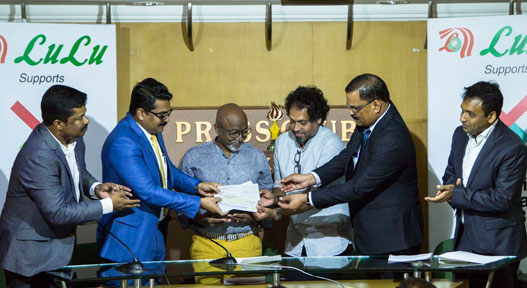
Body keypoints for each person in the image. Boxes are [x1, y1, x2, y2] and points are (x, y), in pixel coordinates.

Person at [0, 85, 139, 288]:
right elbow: (58, 212)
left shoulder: (73, 139)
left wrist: (96, 188)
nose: (87, 121)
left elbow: (77, 173)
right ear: (58, 124)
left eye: (85, 114)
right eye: (79, 118)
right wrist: (108, 205)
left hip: (58, 252)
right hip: (30, 259)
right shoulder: (39, 155)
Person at [276, 74, 423, 256]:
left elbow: (358, 187)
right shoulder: (369, 122)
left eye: (355, 108)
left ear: (376, 105)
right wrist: (310, 178)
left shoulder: (392, 138)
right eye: (349, 107)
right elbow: (347, 156)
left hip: (393, 238)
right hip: (370, 233)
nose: (351, 113)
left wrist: (307, 199)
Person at [97, 78, 225, 268]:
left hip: (155, 229)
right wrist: (197, 202)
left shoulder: (152, 130)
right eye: (162, 115)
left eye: (169, 113)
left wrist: (197, 185)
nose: (168, 119)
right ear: (141, 113)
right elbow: (148, 191)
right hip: (130, 238)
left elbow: (166, 170)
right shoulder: (123, 142)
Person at [425, 81, 527, 288]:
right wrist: (449, 190)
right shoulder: (459, 134)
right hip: (464, 240)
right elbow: (451, 173)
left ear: (491, 116)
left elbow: (502, 199)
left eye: (470, 114)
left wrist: (458, 194)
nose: (462, 118)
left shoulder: (512, 147)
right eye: (462, 111)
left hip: (498, 245)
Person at [179, 103, 273, 284]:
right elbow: (181, 201)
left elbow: (268, 199)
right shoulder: (193, 157)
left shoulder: (257, 157)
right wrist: (197, 218)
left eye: (244, 132)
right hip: (207, 242)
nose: (239, 138)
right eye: (233, 133)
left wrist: (255, 218)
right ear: (217, 129)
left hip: (246, 241)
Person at [259, 86, 353, 261]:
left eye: (303, 122)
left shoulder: (331, 144)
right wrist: (274, 197)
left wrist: (276, 214)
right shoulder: (282, 142)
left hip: (329, 243)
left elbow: (319, 197)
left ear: (319, 119)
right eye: (292, 121)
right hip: (295, 243)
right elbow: (280, 187)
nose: (296, 128)